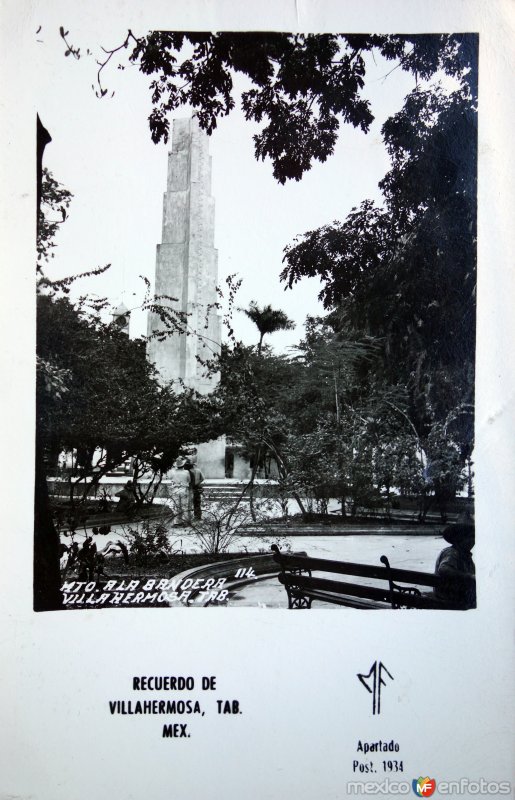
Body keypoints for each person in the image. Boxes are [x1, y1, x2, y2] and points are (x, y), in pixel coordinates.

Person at [434, 522, 476, 609]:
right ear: (461, 539)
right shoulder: (452, 552)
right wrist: (469, 576)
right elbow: (444, 569)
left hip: (454, 595)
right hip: (450, 598)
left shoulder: (463, 554)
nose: (473, 541)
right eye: (470, 538)